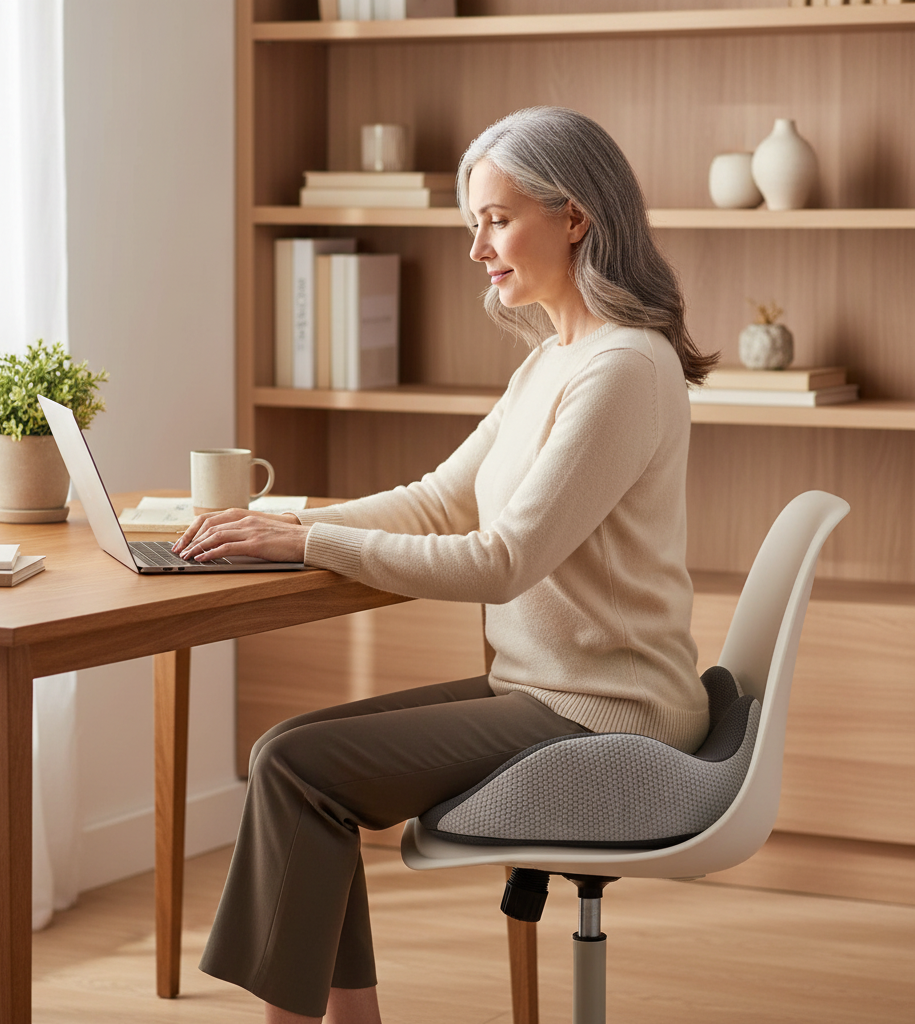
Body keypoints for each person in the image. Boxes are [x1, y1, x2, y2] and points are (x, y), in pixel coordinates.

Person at [171, 106, 716, 1024]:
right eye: (475, 223)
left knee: (302, 766)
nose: (478, 249)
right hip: (541, 690)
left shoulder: (623, 368)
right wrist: (280, 520)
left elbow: (502, 560)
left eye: (496, 219)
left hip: (605, 713)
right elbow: (438, 501)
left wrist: (308, 542)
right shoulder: (553, 360)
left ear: (575, 216)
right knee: (287, 757)